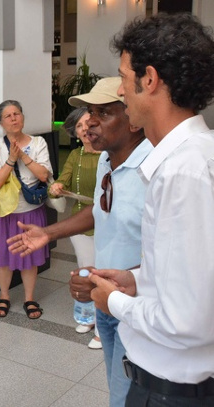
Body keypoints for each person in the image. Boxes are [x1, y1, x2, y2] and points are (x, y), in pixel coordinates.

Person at [89, 14, 214, 405]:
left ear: (150, 79)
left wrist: (114, 301)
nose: (122, 93)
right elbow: (193, 278)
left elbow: (186, 322)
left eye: (125, 79)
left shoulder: (185, 172)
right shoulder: (188, 159)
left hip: (171, 393)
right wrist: (137, 281)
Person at [7, 77, 151, 407]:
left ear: (133, 116)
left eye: (103, 112)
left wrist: (119, 286)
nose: (90, 122)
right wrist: (49, 233)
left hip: (138, 306)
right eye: (89, 112)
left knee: (130, 395)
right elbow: (100, 209)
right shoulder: (105, 159)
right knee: (117, 389)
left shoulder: (154, 166)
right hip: (106, 299)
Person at [0, 100, 51, 319]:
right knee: (3, 257)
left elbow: (44, 175)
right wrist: (11, 159)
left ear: (22, 117)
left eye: (17, 114)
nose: (13, 118)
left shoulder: (39, 142)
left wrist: (23, 156)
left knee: (29, 257)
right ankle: (4, 296)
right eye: (8, 116)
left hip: (30, 210)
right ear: (1, 122)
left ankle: (29, 298)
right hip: (3, 211)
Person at [52, 106, 102, 348]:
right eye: (80, 126)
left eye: (88, 124)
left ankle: (104, 327)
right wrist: (58, 186)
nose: (84, 130)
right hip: (79, 223)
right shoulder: (76, 155)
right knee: (85, 270)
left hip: (105, 222)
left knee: (102, 273)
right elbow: (65, 177)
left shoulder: (108, 154)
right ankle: (88, 317)